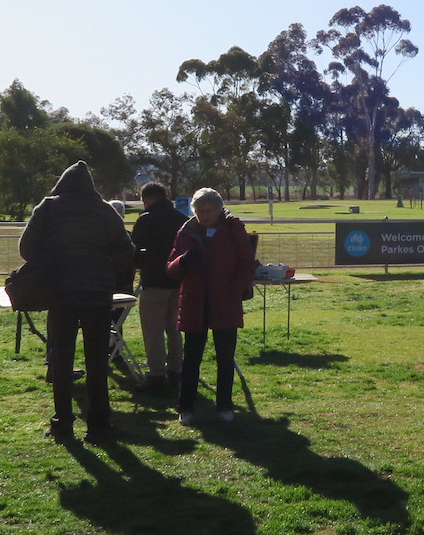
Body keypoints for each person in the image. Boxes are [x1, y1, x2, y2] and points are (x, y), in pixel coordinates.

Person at [18, 160, 135, 445]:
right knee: (97, 361)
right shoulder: (105, 210)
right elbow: (125, 250)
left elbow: (26, 249)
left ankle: (62, 424)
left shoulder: (47, 208)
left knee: (61, 360)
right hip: (97, 294)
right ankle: (99, 424)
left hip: (60, 293)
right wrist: (105, 267)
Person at [167, 188, 258, 425]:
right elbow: (170, 268)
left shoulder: (233, 228)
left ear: (219, 210)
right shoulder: (186, 230)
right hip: (195, 303)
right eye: (198, 211)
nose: (203, 216)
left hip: (224, 302)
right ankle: (185, 407)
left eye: (208, 211)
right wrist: (182, 261)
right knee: (192, 359)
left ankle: (225, 405)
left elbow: (247, 263)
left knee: (225, 357)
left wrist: (234, 290)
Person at [130, 181, 189, 393]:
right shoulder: (182, 219)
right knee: (174, 327)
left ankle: (156, 374)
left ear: (146, 198)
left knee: (153, 329)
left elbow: (134, 252)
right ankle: (176, 370)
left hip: (154, 280)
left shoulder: (146, 220)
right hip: (179, 280)